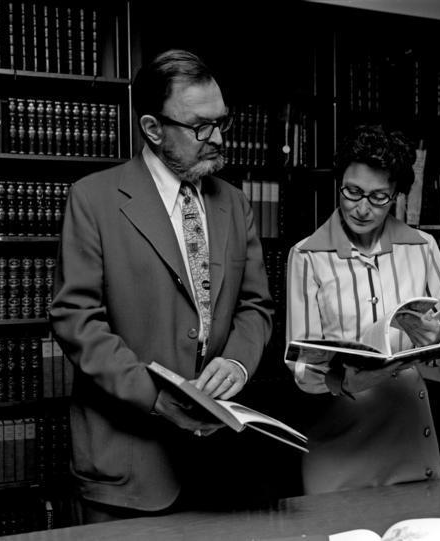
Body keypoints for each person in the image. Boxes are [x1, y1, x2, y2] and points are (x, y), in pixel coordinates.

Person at [49, 49, 273, 522]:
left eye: (222, 123)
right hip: (129, 467)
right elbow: (76, 321)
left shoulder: (234, 202)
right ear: (153, 129)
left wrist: (236, 361)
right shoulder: (93, 198)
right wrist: (156, 398)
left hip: (220, 464)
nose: (216, 138)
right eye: (200, 127)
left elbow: (256, 306)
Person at [285, 124, 440, 494]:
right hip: (341, 432)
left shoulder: (423, 247)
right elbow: (300, 363)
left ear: (395, 196)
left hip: (409, 430)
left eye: (379, 197)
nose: (362, 208)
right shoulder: (307, 256)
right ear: (339, 183)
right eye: (353, 192)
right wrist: (342, 380)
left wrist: (434, 338)